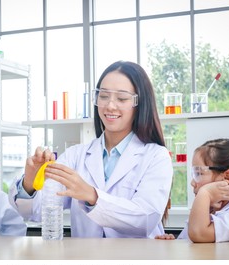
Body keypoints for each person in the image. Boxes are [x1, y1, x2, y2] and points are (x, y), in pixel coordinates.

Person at [11, 60, 173, 238]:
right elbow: (35, 212)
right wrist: (30, 182)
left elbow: (146, 219)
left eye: (121, 98)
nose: (110, 105)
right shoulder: (75, 156)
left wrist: (93, 196)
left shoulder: (156, 156)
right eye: (103, 96)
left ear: (139, 103)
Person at [156, 138, 229, 242]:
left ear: (227, 178)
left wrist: (205, 193)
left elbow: (198, 234)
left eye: (199, 173)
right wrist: (173, 243)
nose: (192, 183)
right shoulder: (208, 212)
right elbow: (192, 243)